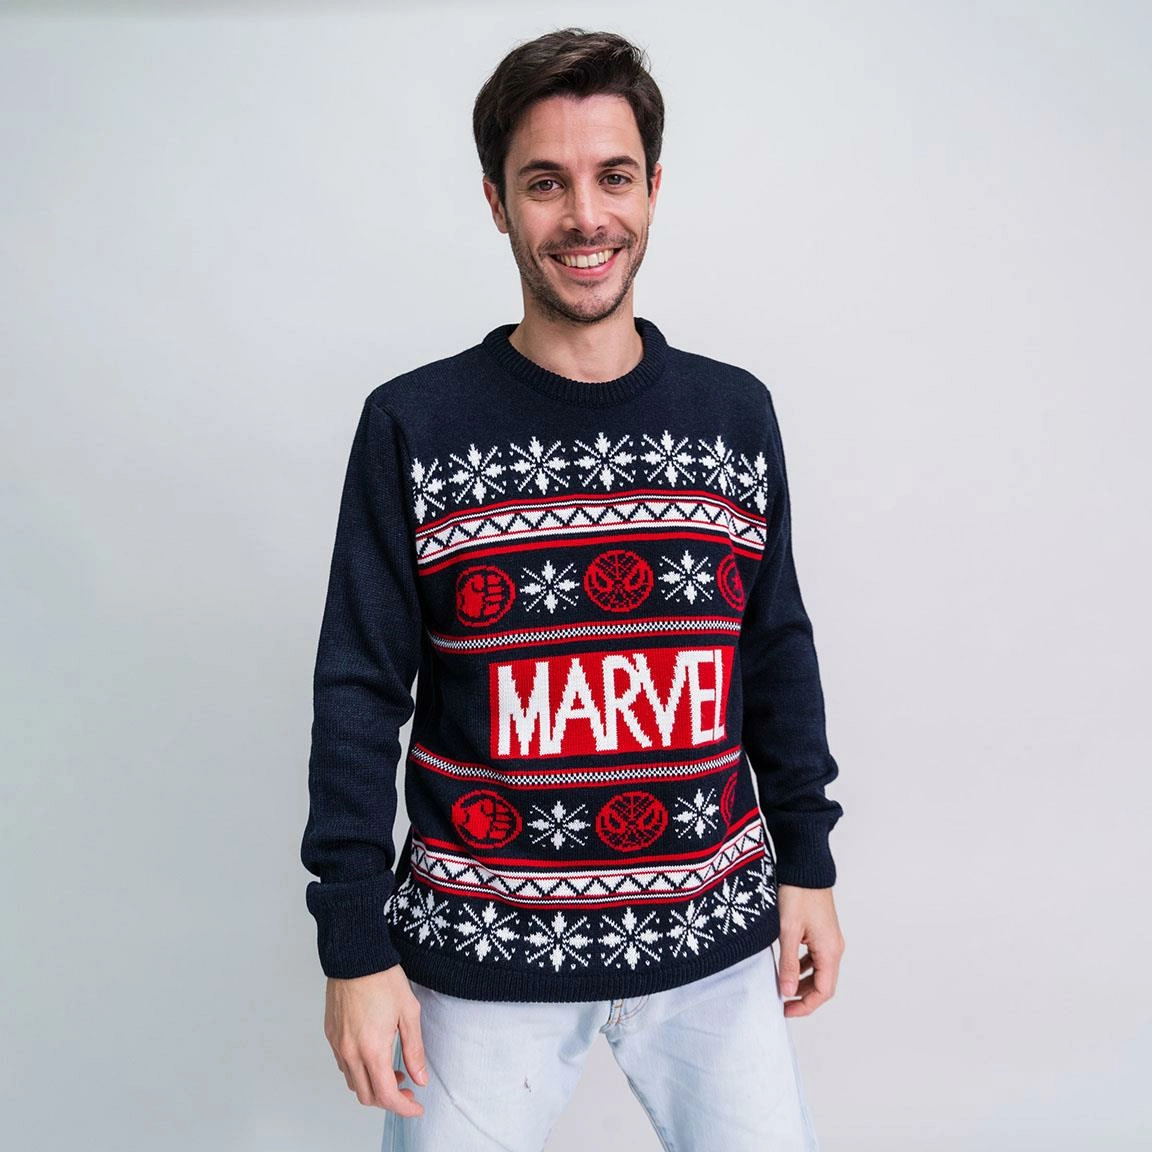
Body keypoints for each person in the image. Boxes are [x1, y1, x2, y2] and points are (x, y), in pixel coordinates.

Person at [302, 28, 845, 1151]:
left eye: (614, 177)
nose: (585, 217)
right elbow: (358, 688)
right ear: (498, 203)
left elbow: (774, 647)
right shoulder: (414, 424)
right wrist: (353, 943)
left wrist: (810, 861)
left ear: (654, 189)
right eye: (546, 182)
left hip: (712, 934)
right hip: (481, 949)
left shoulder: (732, 415)